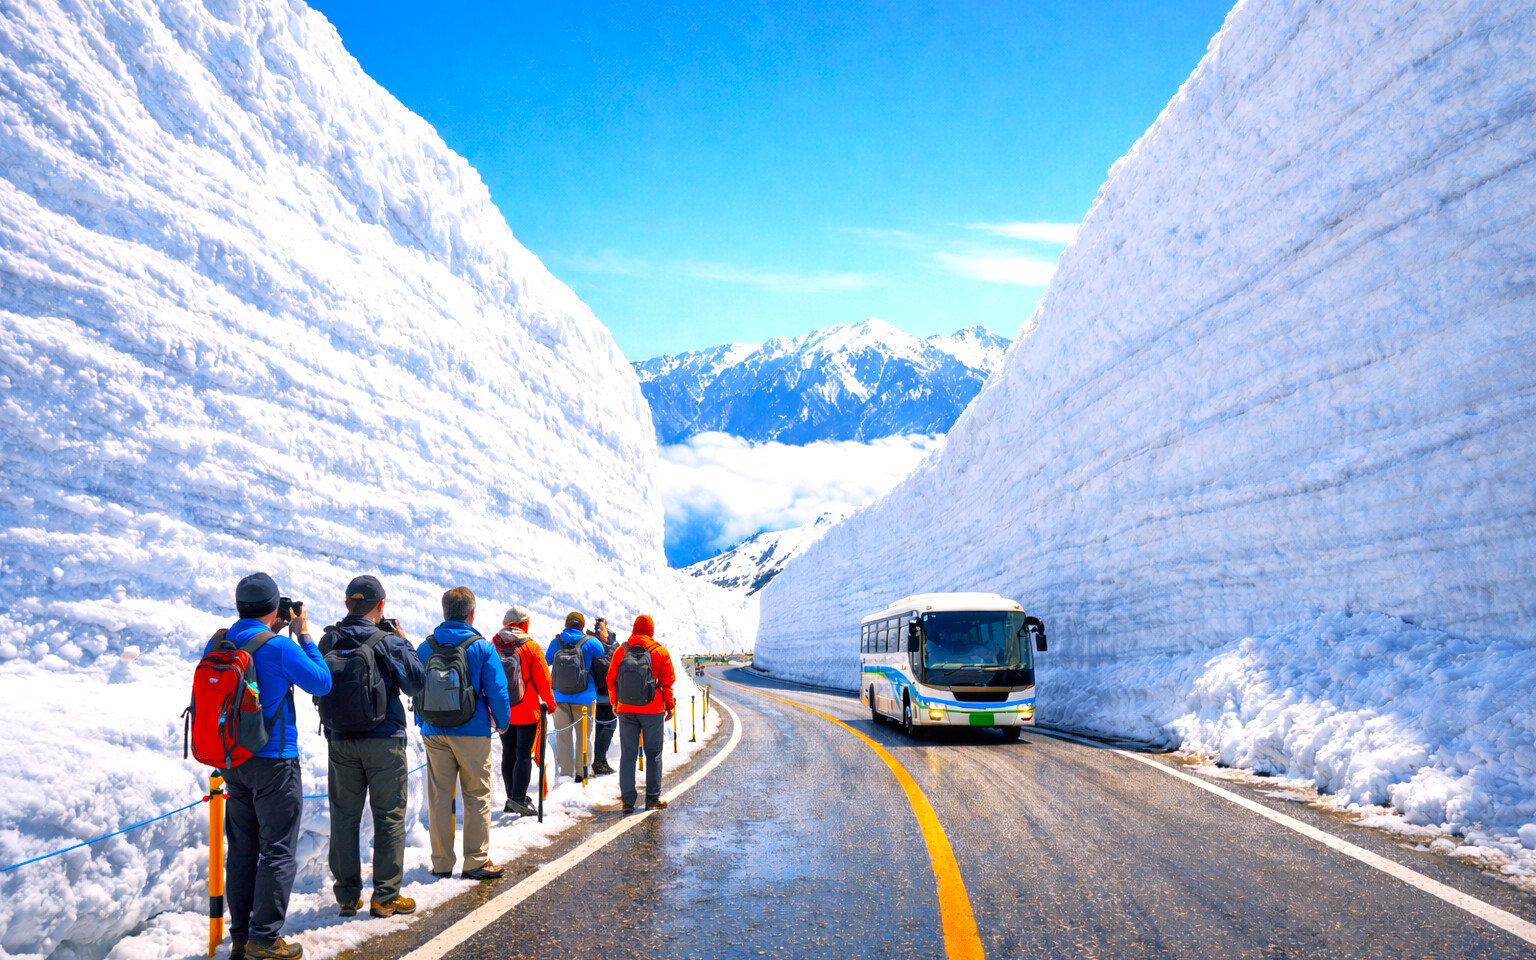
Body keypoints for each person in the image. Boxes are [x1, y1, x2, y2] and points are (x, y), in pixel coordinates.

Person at [213, 573, 332, 960]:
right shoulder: (280, 647)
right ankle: (265, 939)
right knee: (277, 851)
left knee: (243, 851)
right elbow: (321, 681)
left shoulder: (222, 641)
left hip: (234, 761)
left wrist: (270, 629)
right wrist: (304, 636)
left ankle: (241, 936)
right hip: (275, 762)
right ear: (274, 608)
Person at [318, 575, 424, 918]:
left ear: (347, 604)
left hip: (340, 741)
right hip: (384, 741)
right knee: (389, 816)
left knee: (344, 817)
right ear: (381, 607)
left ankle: (347, 895)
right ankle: (385, 896)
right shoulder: (387, 641)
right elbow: (415, 683)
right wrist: (403, 643)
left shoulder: (328, 640)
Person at [415, 586, 510, 881]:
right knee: (476, 796)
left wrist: (423, 722)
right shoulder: (481, 646)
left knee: (440, 797)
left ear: (444, 612)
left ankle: (442, 863)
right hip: (471, 730)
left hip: (435, 731)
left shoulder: (425, 646)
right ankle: (475, 861)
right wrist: (502, 721)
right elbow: (497, 688)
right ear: (472, 613)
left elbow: (419, 686)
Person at [606, 614, 676, 814]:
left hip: (626, 709)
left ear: (634, 629)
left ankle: (627, 800)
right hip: (652, 710)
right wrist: (669, 705)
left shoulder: (621, 651)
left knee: (628, 754)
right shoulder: (659, 651)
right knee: (653, 754)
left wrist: (615, 703)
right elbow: (667, 682)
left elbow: (611, 679)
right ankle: (652, 799)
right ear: (651, 630)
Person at [493, 605, 554, 816]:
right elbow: (543, 679)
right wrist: (550, 702)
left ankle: (511, 797)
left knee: (507, 754)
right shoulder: (530, 646)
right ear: (524, 624)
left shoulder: (494, 643)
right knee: (523, 755)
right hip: (527, 710)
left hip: (503, 709)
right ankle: (518, 798)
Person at [544, 612, 605, 781]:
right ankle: (582, 771)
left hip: (559, 697)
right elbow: (601, 650)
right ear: (582, 626)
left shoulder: (556, 642)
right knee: (584, 737)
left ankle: (566, 773)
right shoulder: (589, 642)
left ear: (566, 625)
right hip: (584, 698)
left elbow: (546, 661)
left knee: (563, 737)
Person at [586, 617, 620, 776]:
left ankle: (598, 760)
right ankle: (599, 761)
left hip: (592, 692)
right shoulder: (614, 645)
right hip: (609, 692)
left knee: (599, 726)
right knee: (609, 725)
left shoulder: (588, 641)